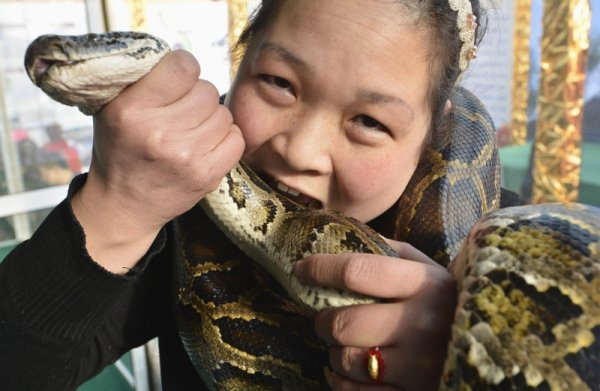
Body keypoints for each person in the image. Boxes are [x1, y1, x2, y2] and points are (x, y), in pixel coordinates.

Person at [0, 1, 523, 390]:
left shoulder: (504, 244)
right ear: (239, 63)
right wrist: (117, 208)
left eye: (368, 120)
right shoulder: (174, 219)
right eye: (278, 82)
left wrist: (476, 350)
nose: (301, 150)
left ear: (435, 135)